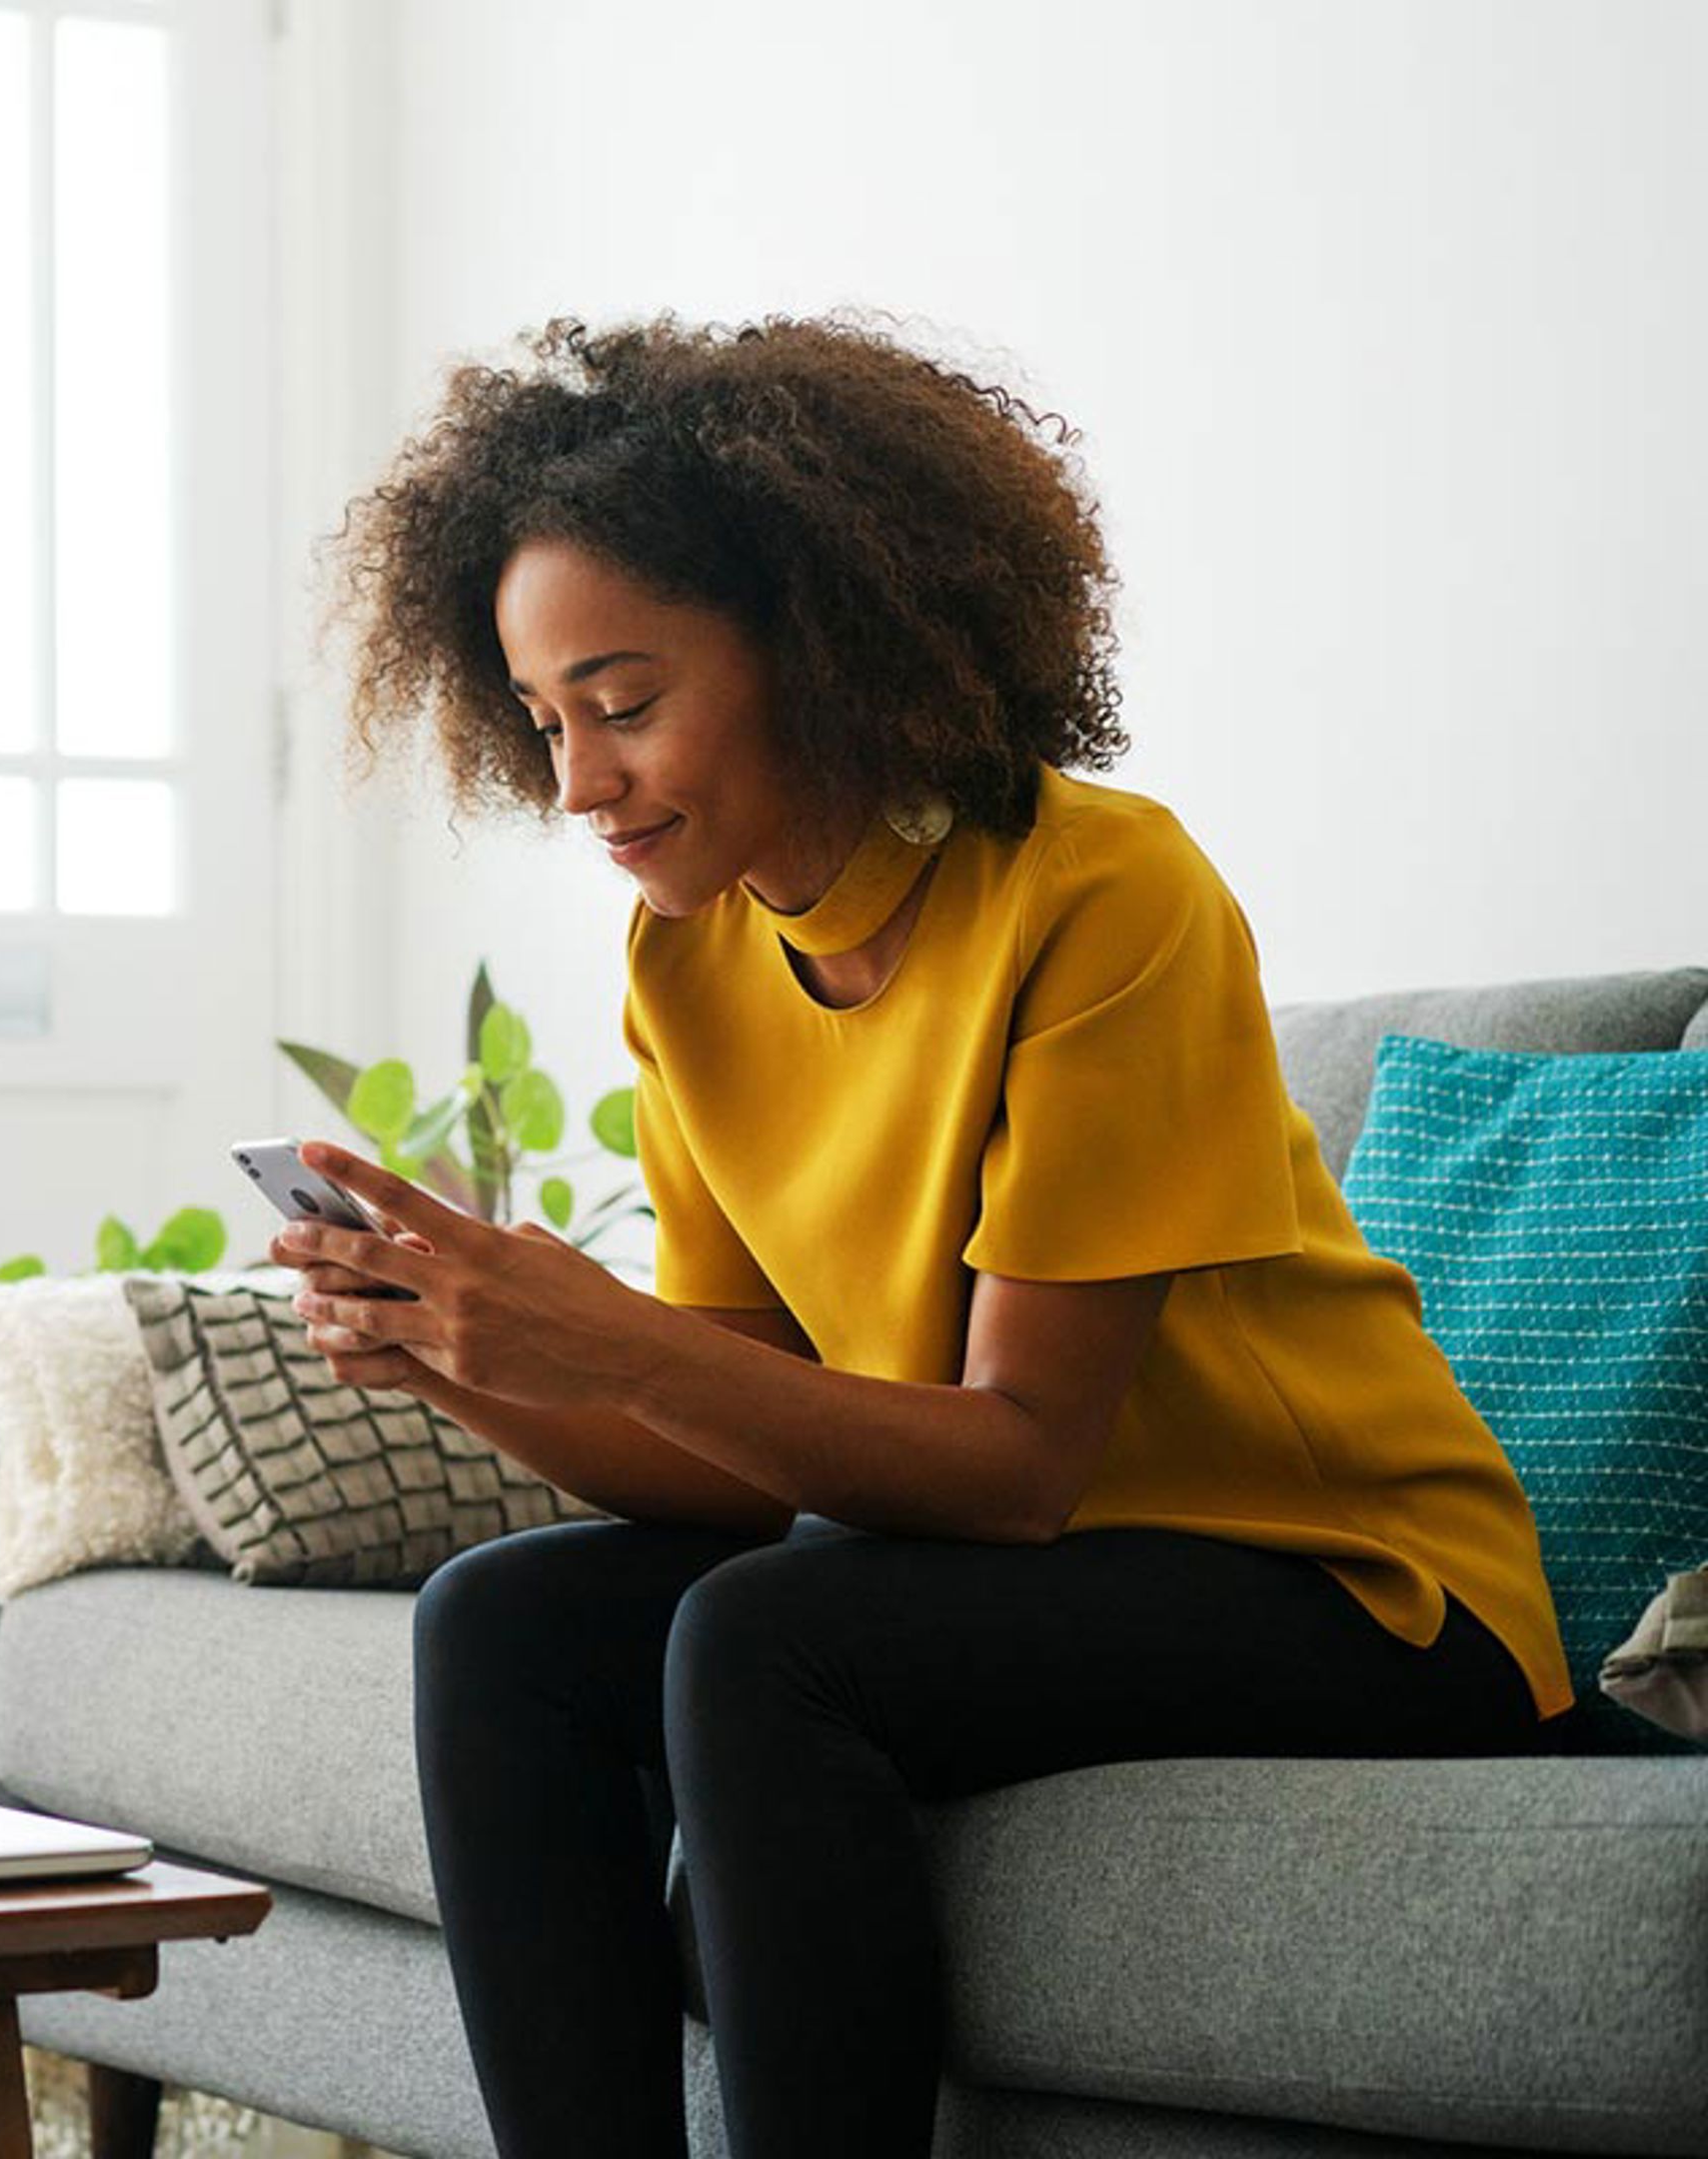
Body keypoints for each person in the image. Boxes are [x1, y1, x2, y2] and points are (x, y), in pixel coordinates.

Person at [267, 311, 1570, 2159]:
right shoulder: (689, 951)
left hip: (1348, 1585)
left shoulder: (1102, 893)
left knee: (768, 1640)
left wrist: (600, 1331)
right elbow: (740, 1443)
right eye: (546, 723)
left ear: (816, 645)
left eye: (624, 705)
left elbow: (1023, 1469)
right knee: (505, 1621)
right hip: (1015, 1572)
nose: (577, 784)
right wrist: (468, 1351)